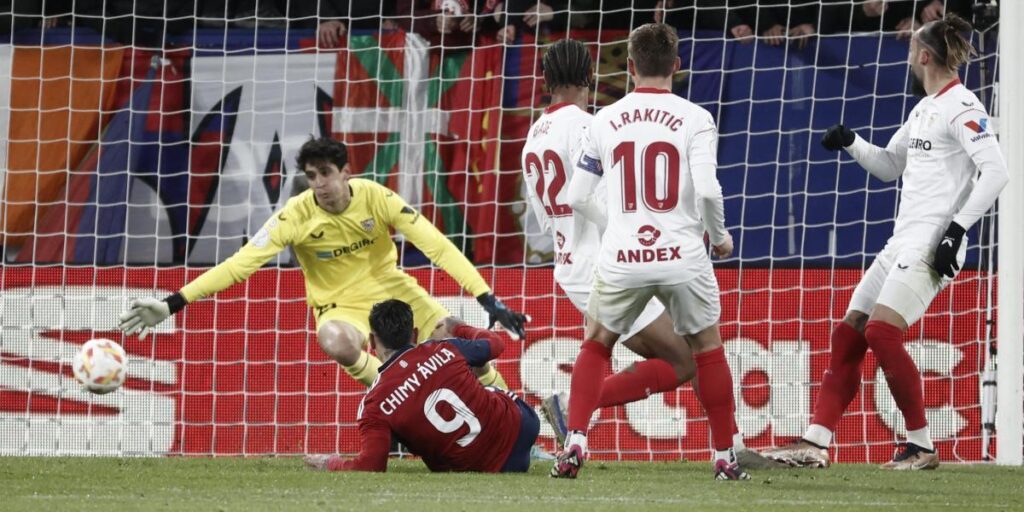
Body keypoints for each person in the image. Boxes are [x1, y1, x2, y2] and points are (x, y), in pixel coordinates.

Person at [764, 13, 1008, 471]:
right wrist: (852, 142)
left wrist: (956, 231)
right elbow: (890, 165)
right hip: (901, 242)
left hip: (932, 242)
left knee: (880, 331)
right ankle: (815, 443)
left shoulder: (963, 106)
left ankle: (920, 445)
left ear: (923, 55)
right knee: (850, 331)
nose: (909, 56)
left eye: (913, 48)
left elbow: (996, 171)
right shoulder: (924, 109)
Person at [523, 38, 778, 472]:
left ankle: (730, 444)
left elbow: (544, 222)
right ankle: (726, 449)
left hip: (570, 263)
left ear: (545, 80)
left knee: (663, 353)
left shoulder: (535, 134)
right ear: (591, 76)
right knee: (687, 356)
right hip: (613, 253)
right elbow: (604, 194)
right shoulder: (588, 125)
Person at [119, 137, 527, 390]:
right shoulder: (295, 215)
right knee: (334, 340)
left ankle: (512, 411)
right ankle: (394, 396)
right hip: (340, 306)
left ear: (346, 172)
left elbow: (436, 245)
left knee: (457, 340)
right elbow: (240, 264)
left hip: (394, 291)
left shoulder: (376, 197)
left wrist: (485, 297)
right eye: (311, 175)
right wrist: (173, 302)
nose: (319, 184)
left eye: (326, 174)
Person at [304, 299, 540, 472]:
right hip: (523, 428)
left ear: (373, 341)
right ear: (414, 334)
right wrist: (457, 327)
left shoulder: (373, 405)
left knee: (412, 426)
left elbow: (370, 466)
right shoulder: (444, 348)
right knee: (476, 372)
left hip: (482, 467)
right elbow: (495, 344)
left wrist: (331, 462)